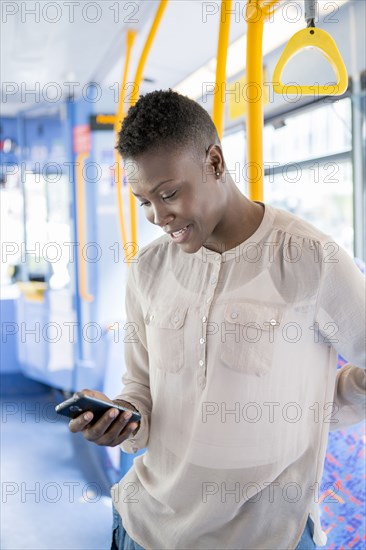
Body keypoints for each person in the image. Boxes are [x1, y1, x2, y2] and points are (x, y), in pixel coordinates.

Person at [69, 90, 365, 550]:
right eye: (143, 201)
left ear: (214, 162)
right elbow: (141, 391)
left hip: (266, 537)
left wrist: (323, 399)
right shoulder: (147, 270)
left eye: (168, 194)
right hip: (143, 528)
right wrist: (122, 421)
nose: (158, 216)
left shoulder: (310, 258)